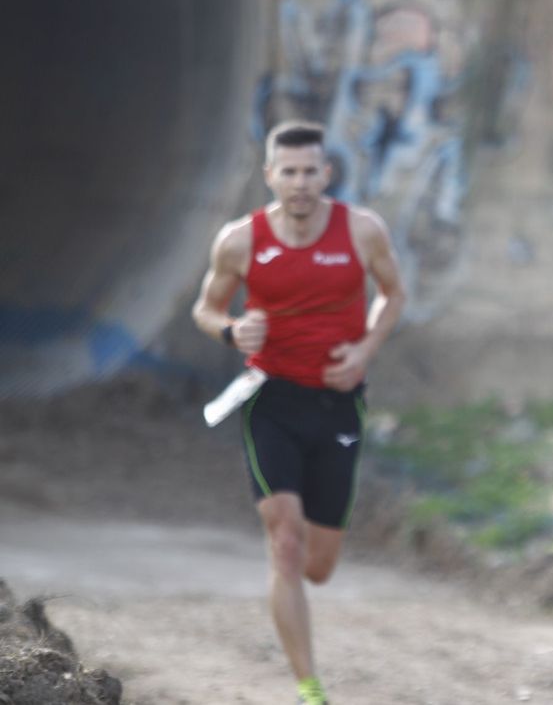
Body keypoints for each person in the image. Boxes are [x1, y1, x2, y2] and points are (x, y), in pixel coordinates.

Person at [191, 120, 406, 705]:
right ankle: (309, 687)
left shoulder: (362, 230)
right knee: (285, 542)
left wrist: (364, 350)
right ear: (270, 175)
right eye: (289, 171)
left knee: (318, 565)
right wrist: (232, 330)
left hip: (338, 405)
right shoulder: (240, 240)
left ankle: (306, 612)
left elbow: (393, 293)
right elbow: (206, 309)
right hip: (271, 399)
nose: (301, 182)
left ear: (326, 173)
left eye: (311, 171)